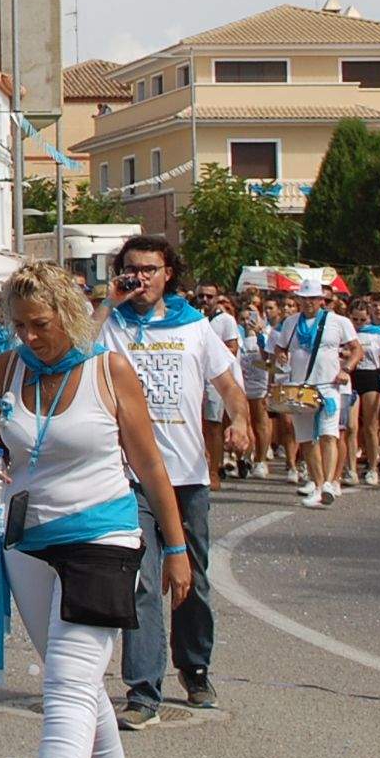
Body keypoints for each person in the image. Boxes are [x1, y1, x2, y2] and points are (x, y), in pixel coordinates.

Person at [0, 262, 189, 758]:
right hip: (28, 541)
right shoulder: (6, 369)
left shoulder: (109, 370)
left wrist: (177, 547)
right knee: (82, 689)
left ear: (68, 313)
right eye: (18, 325)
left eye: (40, 323)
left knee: (65, 688)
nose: (29, 336)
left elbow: (151, 465)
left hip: (102, 536)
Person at [104, 235, 250, 728]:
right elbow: (73, 351)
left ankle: (195, 665)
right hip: (128, 475)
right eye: (131, 269)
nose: (140, 278)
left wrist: (240, 421)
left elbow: (228, 383)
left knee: (192, 579)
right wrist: (109, 303)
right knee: (141, 578)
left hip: (186, 474)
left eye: (149, 269)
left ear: (169, 272)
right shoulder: (111, 325)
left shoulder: (195, 326)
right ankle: (143, 689)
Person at [283, 277, 361, 507]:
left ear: (321, 300)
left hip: (328, 386)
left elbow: (356, 350)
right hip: (300, 388)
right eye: (304, 298)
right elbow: (278, 347)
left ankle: (328, 482)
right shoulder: (290, 323)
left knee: (329, 434)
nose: (308, 303)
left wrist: (346, 369)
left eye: (313, 299)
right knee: (307, 439)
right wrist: (277, 355)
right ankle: (317, 485)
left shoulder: (339, 322)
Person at [199, 286, 242, 488]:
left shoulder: (225, 320)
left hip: (214, 378)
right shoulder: (195, 317)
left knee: (214, 425)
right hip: (197, 379)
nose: (205, 299)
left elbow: (233, 347)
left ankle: (214, 471)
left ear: (217, 298)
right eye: (201, 296)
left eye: (209, 296)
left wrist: (211, 356)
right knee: (201, 425)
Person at [350, 299, 380, 487]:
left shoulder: (378, 337)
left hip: (370, 378)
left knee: (371, 425)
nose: (359, 323)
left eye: (362, 319)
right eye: (355, 319)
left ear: (368, 318)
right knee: (351, 426)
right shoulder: (347, 335)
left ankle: (372, 467)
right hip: (351, 377)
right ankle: (350, 468)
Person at [235, 294, 273, 478]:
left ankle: (261, 459)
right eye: (243, 318)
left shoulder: (268, 333)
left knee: (260, 423)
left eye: (251, 317)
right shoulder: (236, 334)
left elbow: (270, 360)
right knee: (245, 422)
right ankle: (245, 458)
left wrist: (259, 335)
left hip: (260, 384)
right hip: (241, 383)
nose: (246, 321)